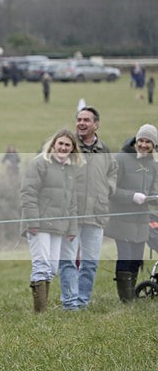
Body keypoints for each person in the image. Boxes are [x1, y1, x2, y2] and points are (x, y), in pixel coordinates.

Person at [58, 107, 118, 310]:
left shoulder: (104, 149)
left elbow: (113, 172)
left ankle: (82, 301)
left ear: (96, 124)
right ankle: (69, 303)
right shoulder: (68, 146)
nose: (81, 123)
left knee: (90, 262)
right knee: (67, 261)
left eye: (86, 120)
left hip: (97, 213)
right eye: (79, 119)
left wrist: (108, 188)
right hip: (71, 215)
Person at [21, 129, 82, 313]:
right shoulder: (40, 163)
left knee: (53, 267)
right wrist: (33, 222)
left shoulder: (70, 169)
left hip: (59, 226)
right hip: (38, 225)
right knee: (41, 264)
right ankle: (40, 312)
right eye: (60, 143)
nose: (63, 147)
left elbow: (72, 202)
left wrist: (72, 228)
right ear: (53, 144)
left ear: (72, 149)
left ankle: (43, 308)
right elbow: (28, 193)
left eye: (67, 145)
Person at [104, 124, 158, 303]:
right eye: (140, 140)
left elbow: (154, 190)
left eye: (148, 142)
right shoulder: (120, 159)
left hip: (142, 220)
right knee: (126, 256)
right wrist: (131, 196)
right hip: (122, 219)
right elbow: (110, 189)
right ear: (135, 141)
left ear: (154, 145)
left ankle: (131, 296)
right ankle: (125, 300)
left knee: (136, 258)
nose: (143, 145)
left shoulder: (153, 165)